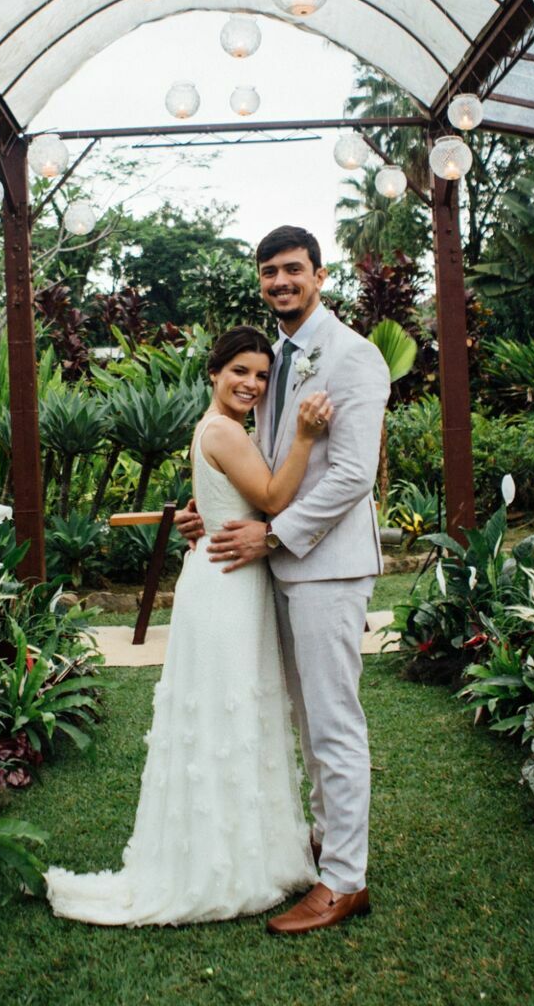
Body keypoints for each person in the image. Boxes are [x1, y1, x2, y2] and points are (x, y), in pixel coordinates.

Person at [44, 324, 335, 926]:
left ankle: (240, 852)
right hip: (227, 586)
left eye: (262, 375)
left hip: (224, 577)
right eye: (240, 372)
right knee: (227, 713)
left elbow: (228, 499)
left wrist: (202, 513)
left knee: (231, 714)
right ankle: (221, 864)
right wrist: (307, 437)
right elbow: (275, 499)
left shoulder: (216, 427)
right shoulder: (224, 430)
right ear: (214, 372)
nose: (252, 384)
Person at [180, 224, 391, 935]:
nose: (281, 282)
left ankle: (346, 881)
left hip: (328, 566)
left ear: (320, 276)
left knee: (333, 721)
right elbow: (264, 464)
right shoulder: (274, 360)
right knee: (304, 717)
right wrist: (214, 513)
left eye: (293, 269)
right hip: (272, 565)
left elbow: (353, 475)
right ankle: (327, 841)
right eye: (269, 271)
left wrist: (273, 534)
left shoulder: (354, 357)